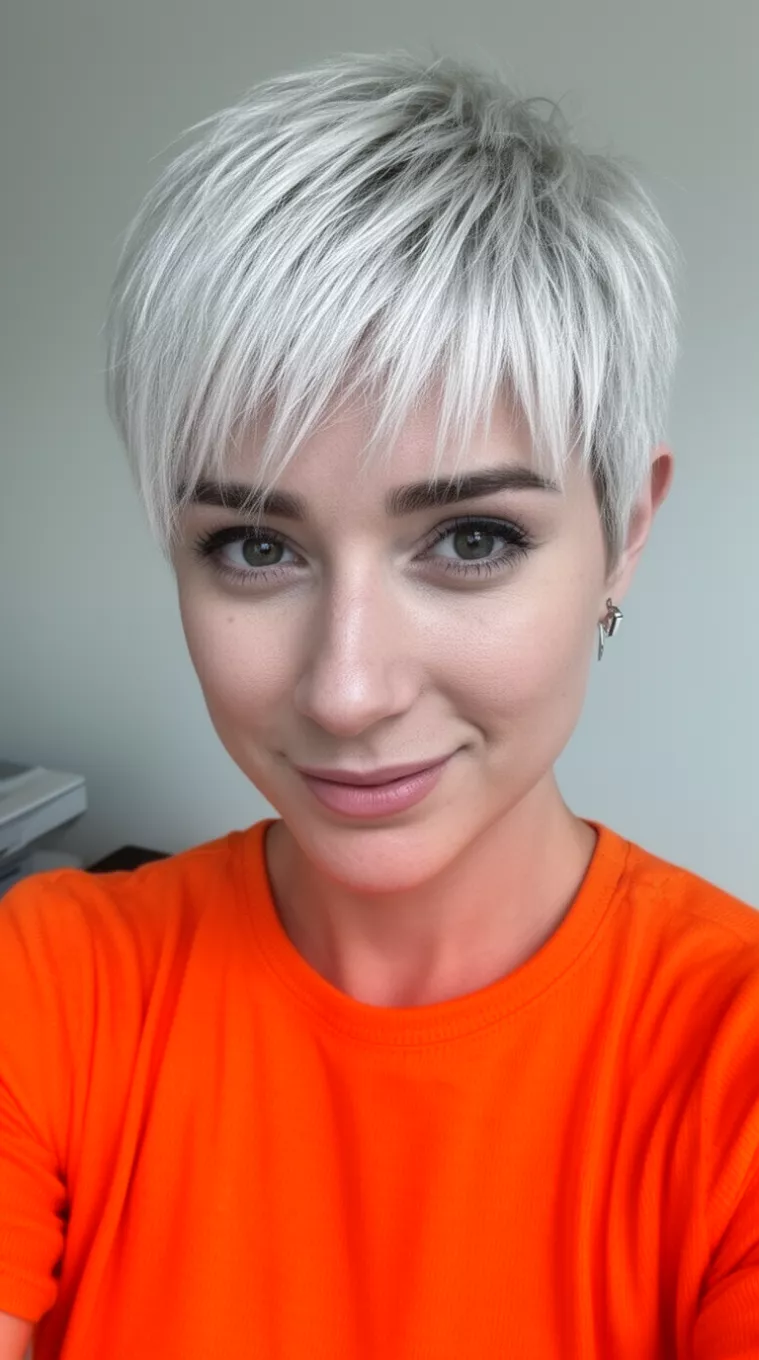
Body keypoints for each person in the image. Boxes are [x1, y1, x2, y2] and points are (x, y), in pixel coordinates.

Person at [0, 48, 757, 1360]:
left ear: (624, 531)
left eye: (469, 538)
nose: (347, 691)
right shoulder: (51, 986)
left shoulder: (726, 1065)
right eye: (255, 546)